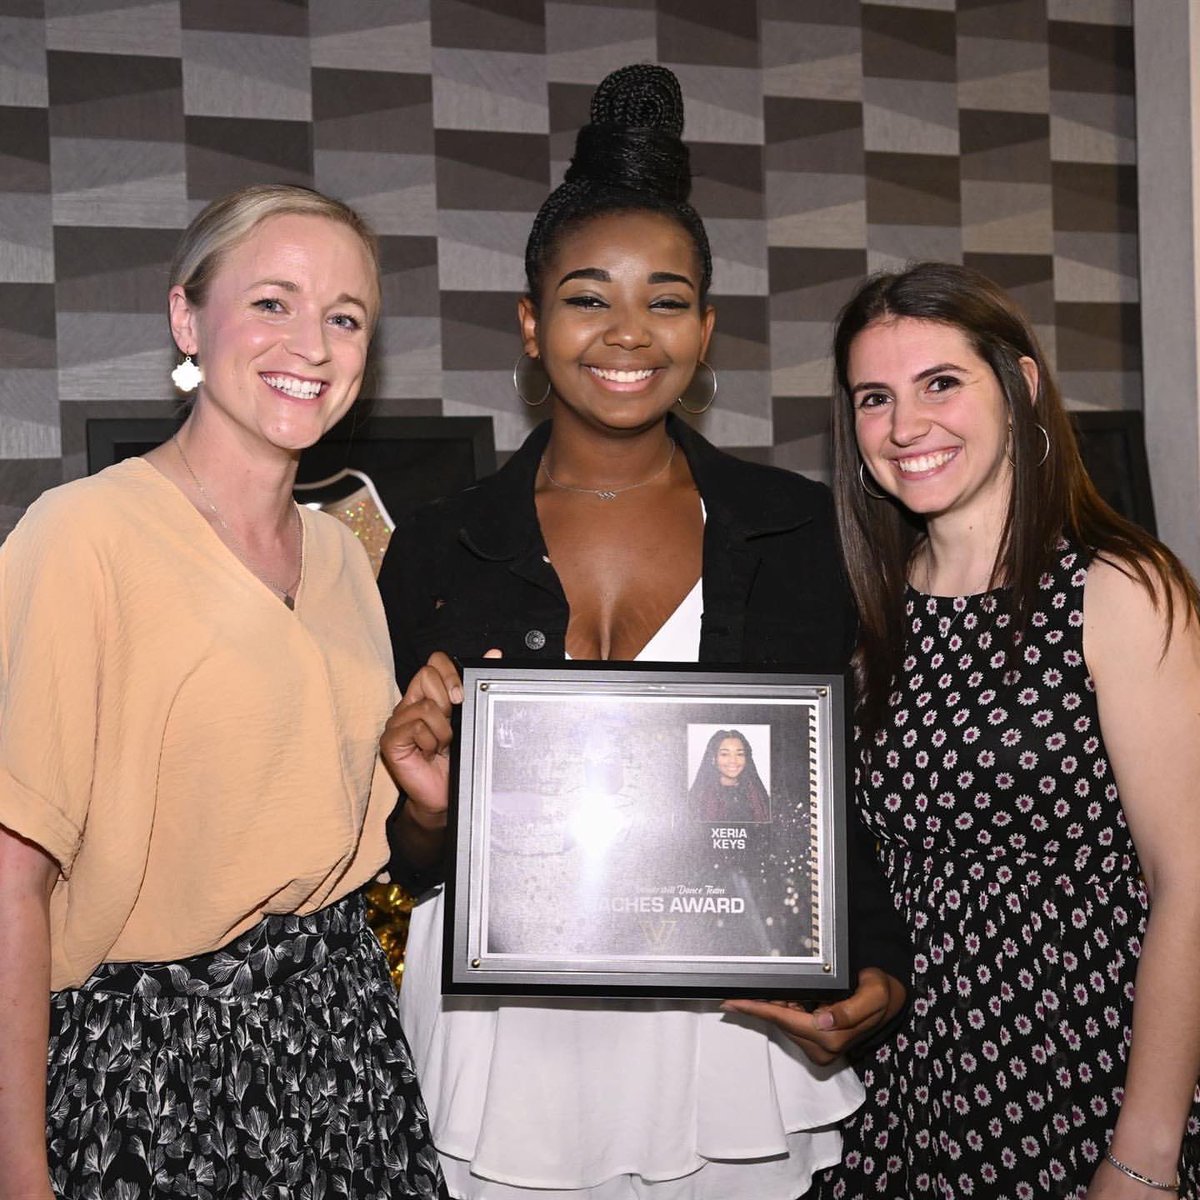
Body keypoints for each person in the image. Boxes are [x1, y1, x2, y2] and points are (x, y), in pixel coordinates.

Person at [377, 65, 910, 1200]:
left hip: (725, 1040)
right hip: (506, 1045)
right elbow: (409, 856)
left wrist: (876, 961)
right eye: (588, 298)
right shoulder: (435, 546)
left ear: (706, 330)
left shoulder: (799, 530)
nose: (629, 332)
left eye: (666, 301)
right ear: (531, 324)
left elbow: (835, 789)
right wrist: (425, 815)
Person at [0, 184, 446, 1198]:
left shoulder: (343, 558)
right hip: (149, 1071)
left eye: (345, 318)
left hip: (344, 1049)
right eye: (272, 303)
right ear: (187, 318)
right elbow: (10, 882)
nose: (313, 345)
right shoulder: (82, 538)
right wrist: (18, 1170)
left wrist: (429, 797)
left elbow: (346, 845)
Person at [810, 261, 1200, 1198]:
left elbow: (1190, 882)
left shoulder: (1119, 588)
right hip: (900, 1087)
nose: (906, 426)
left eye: (940, 383)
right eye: (875, 398)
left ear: (1020, 387)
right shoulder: (869, 610)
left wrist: (1144, 1156)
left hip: (1080, 1074)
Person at [689, 728, 771, 823]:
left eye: (739, 754)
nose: (733, 760)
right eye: (725, 754)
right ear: (714, 758)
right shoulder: (699, 797)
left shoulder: (759, 797)